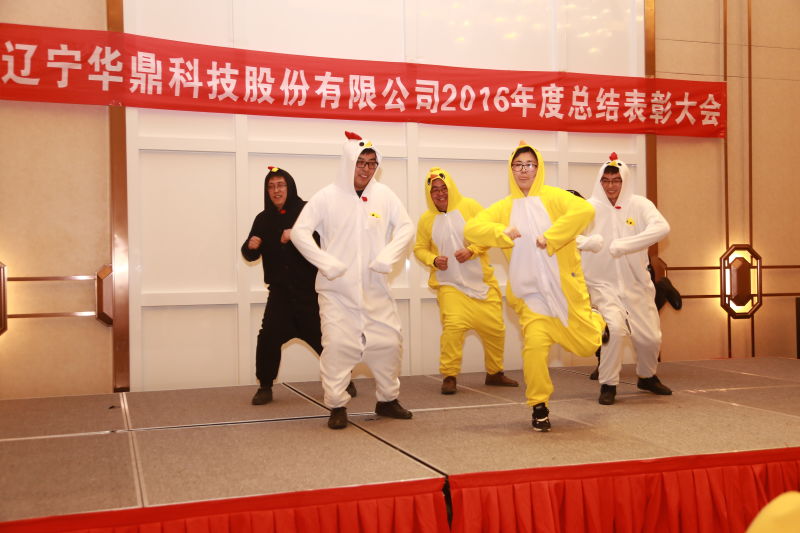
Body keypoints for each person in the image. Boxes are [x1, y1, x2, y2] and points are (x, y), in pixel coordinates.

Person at [464, 142, 605, 431]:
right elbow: (471, 229)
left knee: (587, 344)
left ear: (538, 167)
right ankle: (538, 406)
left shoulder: (555, 197)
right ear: (511, 170)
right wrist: (500, 232)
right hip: (531, 297)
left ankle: (600, 323)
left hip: (564, 292)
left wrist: (552, 236)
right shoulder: (504, 207)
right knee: (534, 349)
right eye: (518, 165)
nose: (523, 170)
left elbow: (584, 210)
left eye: (529, 164)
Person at [291, 131, 415, 429]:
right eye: (361, 162)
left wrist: (387, 257)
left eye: (372, 163)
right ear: (348, 163)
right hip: (337, 291)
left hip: (375, 288)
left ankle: (387, 399)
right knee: (337, 347)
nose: (366, 169)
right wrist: (327, 263)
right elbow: (299, 232)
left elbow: (407, 227)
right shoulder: (327, 196)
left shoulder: (384, 195)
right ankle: (336, 405)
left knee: (388, 343)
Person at [241, 167, 355, 405]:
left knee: (326, 339)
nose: (276, 190)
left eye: (280, 185)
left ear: (289, 187)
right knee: (268, 337)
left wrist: (295, 234)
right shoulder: (262, 219)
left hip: (308, 292)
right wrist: (250, 247)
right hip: (280, 294)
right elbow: (250, 254)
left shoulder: (306, 211)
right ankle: (265, 386)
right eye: (271, 186)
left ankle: (343, 380)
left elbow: (324, 239)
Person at [413, 167, 518, 394]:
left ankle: (495, 373)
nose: (440, 193)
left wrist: (472, 250)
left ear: (451, 188)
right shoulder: (426, 220)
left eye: (444, 188)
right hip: (449, 284)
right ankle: (449, 375)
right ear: (429, 194)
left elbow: (489, 233)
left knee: (495, 329)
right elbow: (419, 248)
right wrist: (433, 260)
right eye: (434, 190)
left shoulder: (469, 206)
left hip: (481, 283)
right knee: (453, 327)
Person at [579, 152, 672, 405]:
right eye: (606, 180)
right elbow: (564, 234)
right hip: (602, 284)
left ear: (625, 181)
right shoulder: (587, 208)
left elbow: (662, 228)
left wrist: (626, 244)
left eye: (616, 180)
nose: (611, 186)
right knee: (615, 331)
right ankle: (608, 384)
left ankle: (647, 377)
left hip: (636, 283)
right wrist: (587, 242)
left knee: (650, 337)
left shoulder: (640, 205)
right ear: (599, 182)